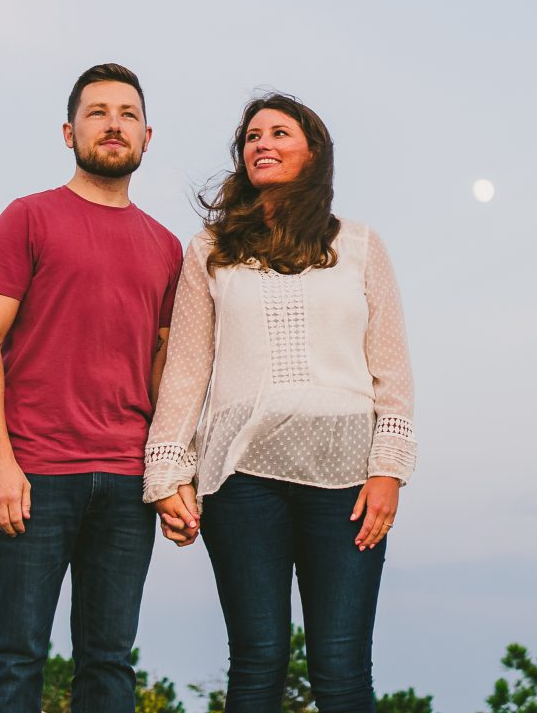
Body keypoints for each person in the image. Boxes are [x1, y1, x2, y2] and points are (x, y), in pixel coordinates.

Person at [144, 93, 417, 713]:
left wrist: (388, 470)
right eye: (251, 136)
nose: (261, 143)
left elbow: (392, 371)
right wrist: (167, 472)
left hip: (347, 481)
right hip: (240, 482)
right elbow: (186, 372)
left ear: (313, 151)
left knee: (342, 668)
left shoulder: (361, 245)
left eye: (279, 133)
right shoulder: (209, 250)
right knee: (257, 661)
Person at [0, 63, 185, 713]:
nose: (113, 124)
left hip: (126, 482)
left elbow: (163, 368)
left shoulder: (167, 248)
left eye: (126, 114)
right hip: (34, 476)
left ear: (147, 135)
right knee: (16, 654)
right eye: (97, 112)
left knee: (109, 665)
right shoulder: (27, 218)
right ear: (69, 132)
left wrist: (171, 471)